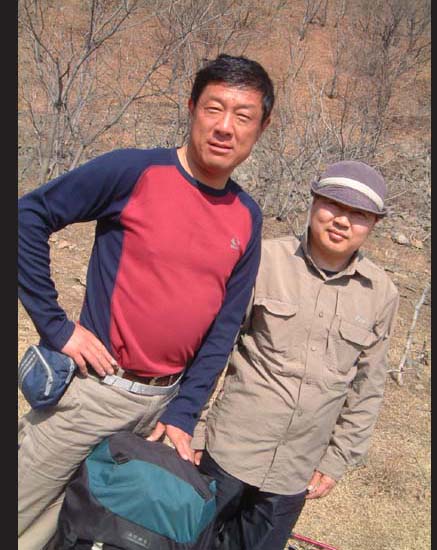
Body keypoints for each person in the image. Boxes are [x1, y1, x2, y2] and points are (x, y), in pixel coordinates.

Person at [18, 53, 274, 549]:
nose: (225, 127)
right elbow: (29, 216)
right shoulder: (135, 170)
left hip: (160, 415)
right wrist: (57, 327)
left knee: (88, 534)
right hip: (93, 392)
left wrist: (184, 413)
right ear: (191, 108)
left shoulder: (247, 216)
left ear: (261, 128)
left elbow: (224, 327)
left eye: (243, 116)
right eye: (214, 109)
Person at [192, 160, 400, 550]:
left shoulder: (381, 294)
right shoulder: (263, 260)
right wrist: (196, 426)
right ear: (314, 201)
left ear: (373, 223)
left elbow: (367, 387)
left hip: (294, 471)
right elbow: (214, 347)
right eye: (334, 205)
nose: (342, 221)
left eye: (358, 214)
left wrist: (336, 459)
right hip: (227, 449)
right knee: (188, 541)